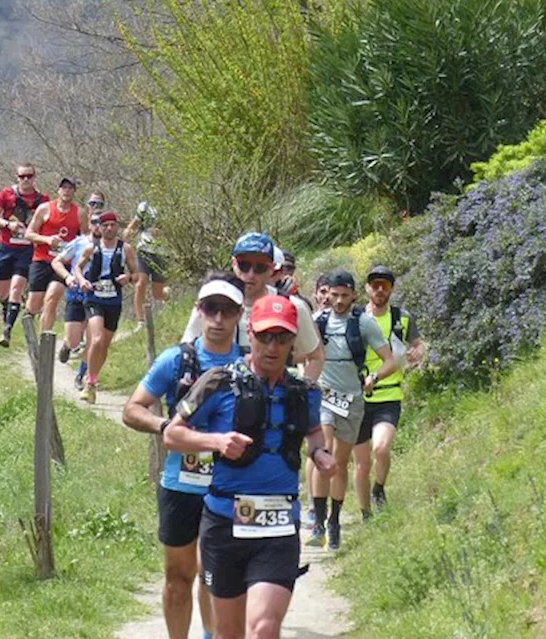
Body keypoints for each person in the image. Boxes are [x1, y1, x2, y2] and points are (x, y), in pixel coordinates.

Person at [163, 295, 336, 639]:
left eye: (283, 338)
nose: (273, 346)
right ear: (250, 334)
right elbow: (172, 434)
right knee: (228, 634)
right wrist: (215, 442)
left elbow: (314, 433)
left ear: (293, 342)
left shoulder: (305, 392)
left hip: (278, 526)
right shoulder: (217, 381)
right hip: (224, 523)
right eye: (265, 336)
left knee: (263, 628)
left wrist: (321, 454)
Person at [122, 272, 245, 639]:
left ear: (240, 314)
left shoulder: (251, 364)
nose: (218, 318)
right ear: (199, 310)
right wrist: (166, 429)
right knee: (178, 578)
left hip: (231, 485)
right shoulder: (177, 360)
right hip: (180, 485)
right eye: (211, 308)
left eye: (227, 310)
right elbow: (132, 409)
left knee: (215, 575)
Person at [307, 269, 398, 550]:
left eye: (344, 296)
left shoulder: (364, 324)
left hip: (353, 399)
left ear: (354, 296)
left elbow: (390, 360)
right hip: (324, 395)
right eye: (334, 295)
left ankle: (334, 519)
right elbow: (303, 353)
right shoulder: (316, 322)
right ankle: (319, 524)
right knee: (325, 457)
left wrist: (375, 378)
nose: (338, 301)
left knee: (340, 462)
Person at [181, 233, 324, 377]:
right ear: (234, 264)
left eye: (260, 267)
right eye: (244, 265)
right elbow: (186, 351)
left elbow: (315, 356)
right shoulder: (211, 303)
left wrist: (302, 394)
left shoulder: (291, 306)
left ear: (272, 269)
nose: (250, 274)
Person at [353, 265, 428, 513]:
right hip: (359, 399)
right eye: (375, 285)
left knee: (382, 448)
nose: (379, 289)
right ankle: (364, 512)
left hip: (389, 395)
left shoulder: (402, 318)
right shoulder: (356, 320)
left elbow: (418, 344)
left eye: (385, 285)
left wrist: (418, 352)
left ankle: (379, 488)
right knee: (361, 463)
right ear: (367, 288)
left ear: (392, 289)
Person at [74, 211, 137, 404]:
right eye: (105, 225)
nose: (109, 228)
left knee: (104, 346)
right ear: (100, 228)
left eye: (112, 225)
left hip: (113, 301)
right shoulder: (91, 248)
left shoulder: (125, 249)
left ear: (117, 227)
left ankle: (93, 377)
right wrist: (82, 280)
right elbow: (77, 268)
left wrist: (128, 278)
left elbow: (137, 275)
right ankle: (90, 383)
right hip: (94, 298)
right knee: (97, 339)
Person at [0, 164, 47, 347]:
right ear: (17, 177)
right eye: (22, 176)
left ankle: (7, 330)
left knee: (17, 288)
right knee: (3, 294)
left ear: (34, 177)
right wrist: (7, 224)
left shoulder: (42, 199)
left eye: (29, 176)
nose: (26, 180)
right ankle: (9, 309)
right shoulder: (7, 194)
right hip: (6, 248)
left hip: (27, 250)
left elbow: (48, 221)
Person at [51, 191, 105, 380]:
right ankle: (67, 346)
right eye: (94, 222)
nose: (98, 226)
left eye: (102, 223)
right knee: (74, 340)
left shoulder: (113, 245)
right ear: (89, 224)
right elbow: (56, 262)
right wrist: (67, 277)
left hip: (98, 297)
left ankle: (82, 376)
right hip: (76, 294)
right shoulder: (78, 242)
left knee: (93, 340)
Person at [24, 177, 82, 335]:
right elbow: (29, 234)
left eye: (70, 188)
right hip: (42, 260)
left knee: (52, 297)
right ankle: (30, 334)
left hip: (63, 263)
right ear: (58, 190)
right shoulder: (44, 209)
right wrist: (47, 239)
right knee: (33, 305)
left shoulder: (79, 213)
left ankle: (45, 338)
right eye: (64, 188)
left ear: (74, 192)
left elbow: (85, 239)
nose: (67, 191)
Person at [126, 201, 169, 331]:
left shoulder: (171, 205)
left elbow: (177, 231)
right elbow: (135, 223)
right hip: (144, 249)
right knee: (141, 283)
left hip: (162, 252)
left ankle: (167, 294)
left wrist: (163, 232)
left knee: (157, 293)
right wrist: (128, 231)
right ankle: (141, 320)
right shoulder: (144, 206)